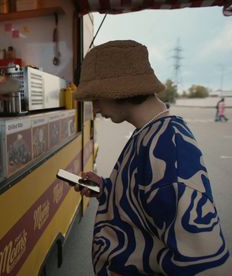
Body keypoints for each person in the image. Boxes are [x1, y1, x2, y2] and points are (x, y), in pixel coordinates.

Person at [71, 40, 231, 275]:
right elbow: (145, 199)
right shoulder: (151, 133)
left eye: (96, 98)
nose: (94, 108)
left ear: (118, 92)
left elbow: (203, 262)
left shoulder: (169, 148)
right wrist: (105, 188)